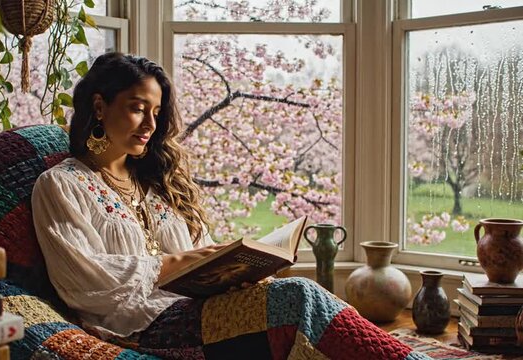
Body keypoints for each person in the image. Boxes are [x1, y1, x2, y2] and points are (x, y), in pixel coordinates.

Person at [32, 52, 431, 360]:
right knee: (297, 298)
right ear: (100, 107)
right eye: (137, 108)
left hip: (197, 308)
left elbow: (201, 252)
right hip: (139, 326)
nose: (150, 125)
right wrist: (180, 263)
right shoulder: (61, 185)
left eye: (156, 112)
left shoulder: (157, 182)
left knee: (289, 295)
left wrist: (231, 271)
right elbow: (84, 283)